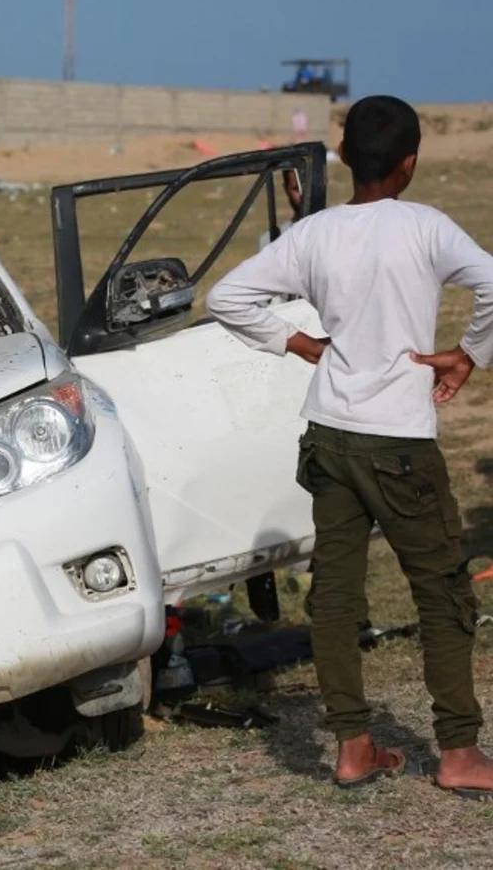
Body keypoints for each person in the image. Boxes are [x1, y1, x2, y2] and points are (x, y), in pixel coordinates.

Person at [206, 95, 493, 799]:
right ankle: (458, 752)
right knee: (444, 593)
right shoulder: (427, 227)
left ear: (341, 158)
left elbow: (227, 297)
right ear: (411, 163)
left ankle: (354, 745)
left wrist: (299, 342)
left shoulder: (315, 235)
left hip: (329, 436)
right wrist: (467, 355)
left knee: (336, 595)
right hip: (399, 444)